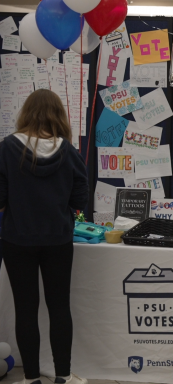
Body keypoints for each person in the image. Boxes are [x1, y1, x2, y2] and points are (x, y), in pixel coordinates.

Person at [0, 89, 89, 384]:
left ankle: (30, 378)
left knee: (26, 308)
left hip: (17, 239)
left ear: (26, 113)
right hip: (58, 240)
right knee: (59, 306)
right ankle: (63, 375)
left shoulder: (7, 148)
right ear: (58, 115)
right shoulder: (69, 151)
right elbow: (80, 200)